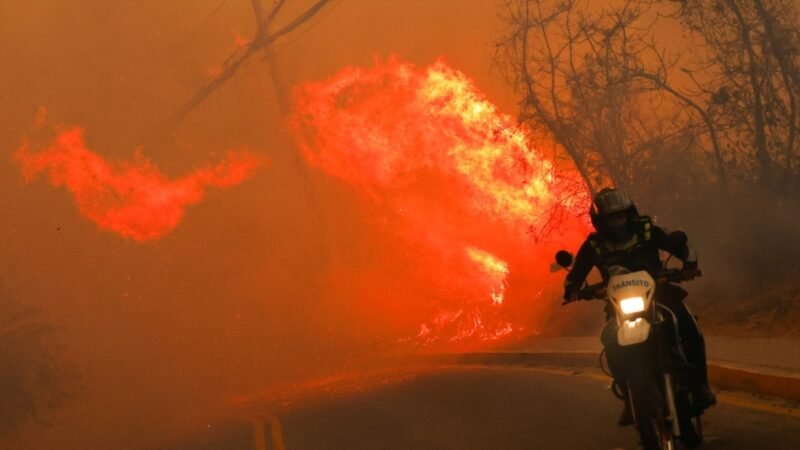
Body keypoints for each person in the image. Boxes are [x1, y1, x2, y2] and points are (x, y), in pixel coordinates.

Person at [563, 187, 716, 426]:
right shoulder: (594, 245)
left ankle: (700, 386)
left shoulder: (646, 229)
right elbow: (577, 273)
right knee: (610, 339)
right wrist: (573, 288)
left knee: (687, 324)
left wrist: (688, 263)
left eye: (621, 216)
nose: (618, 222)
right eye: (612, 218)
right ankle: (629, 397)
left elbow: (677, 245)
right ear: (601, 221)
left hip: (660, 293)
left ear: (629, 213)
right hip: (619, 303)